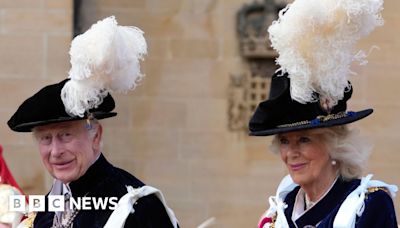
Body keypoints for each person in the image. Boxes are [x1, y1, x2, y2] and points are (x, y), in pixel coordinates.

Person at [7, 16, 178, 228]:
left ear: (95, 136)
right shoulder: (47, 209)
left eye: (65, 135)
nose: (55, 151)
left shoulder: (136, 207)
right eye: (45, 138)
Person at [248, 0, 398, 227]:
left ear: (334, 143)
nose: (291, 152)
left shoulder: (366, 205)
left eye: (304, 139)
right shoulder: (281, 212)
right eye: (285, 141)